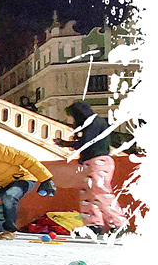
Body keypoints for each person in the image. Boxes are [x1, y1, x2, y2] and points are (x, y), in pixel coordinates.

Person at [55, 100, 129, 236]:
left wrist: (68, 143)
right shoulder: (93, 123)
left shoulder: (94, 122)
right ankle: (94, 224)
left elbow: (88, 142)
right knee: (88, 194)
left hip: (98, 161)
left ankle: (119, 223)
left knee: (101, 192)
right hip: (91, 162)